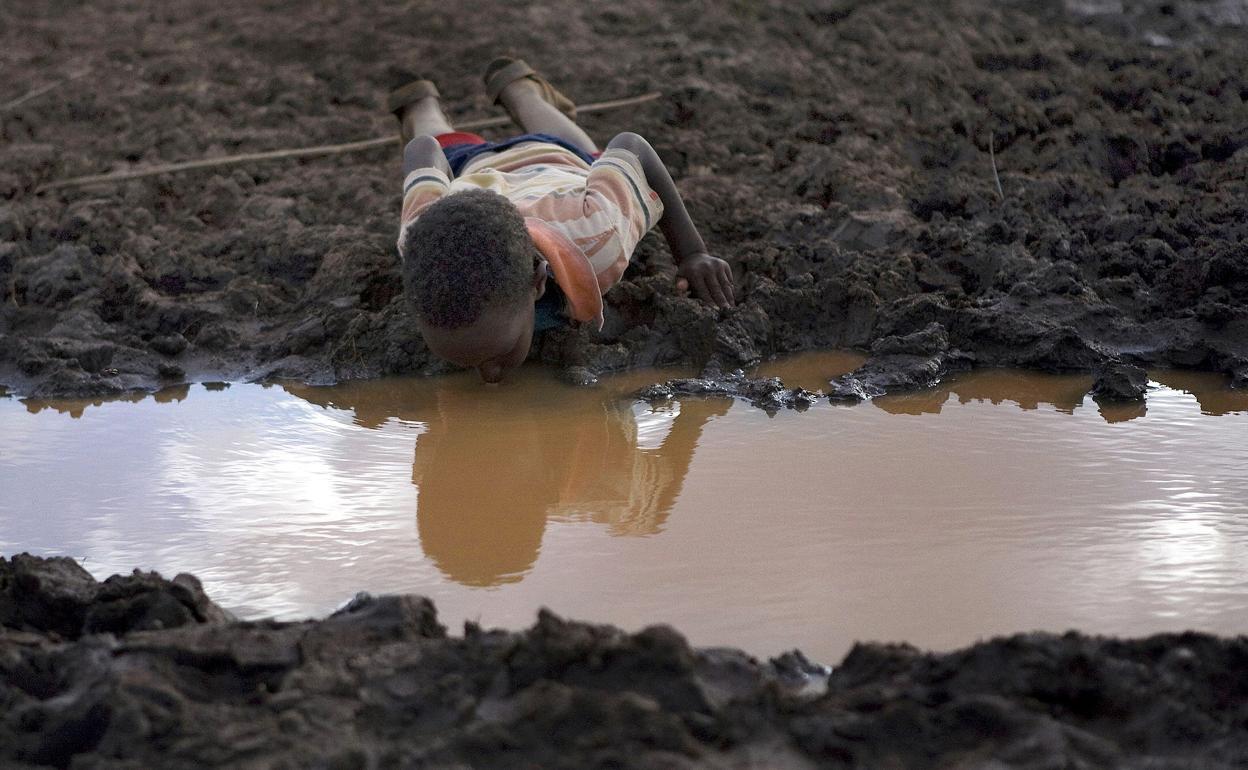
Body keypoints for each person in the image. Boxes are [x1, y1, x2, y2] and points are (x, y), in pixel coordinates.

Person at [391, 57, 735, 383]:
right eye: (459, 360)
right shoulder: (419, 241)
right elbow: (421, 149)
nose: (490, 376)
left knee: (586, 155)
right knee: (435, 134)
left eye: (501, 353)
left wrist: (691, 254)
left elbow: (634, 148)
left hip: (555, 161)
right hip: (476, 170)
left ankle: (519, 92)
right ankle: (425, 104)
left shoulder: (597, 238)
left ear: (539, 281)